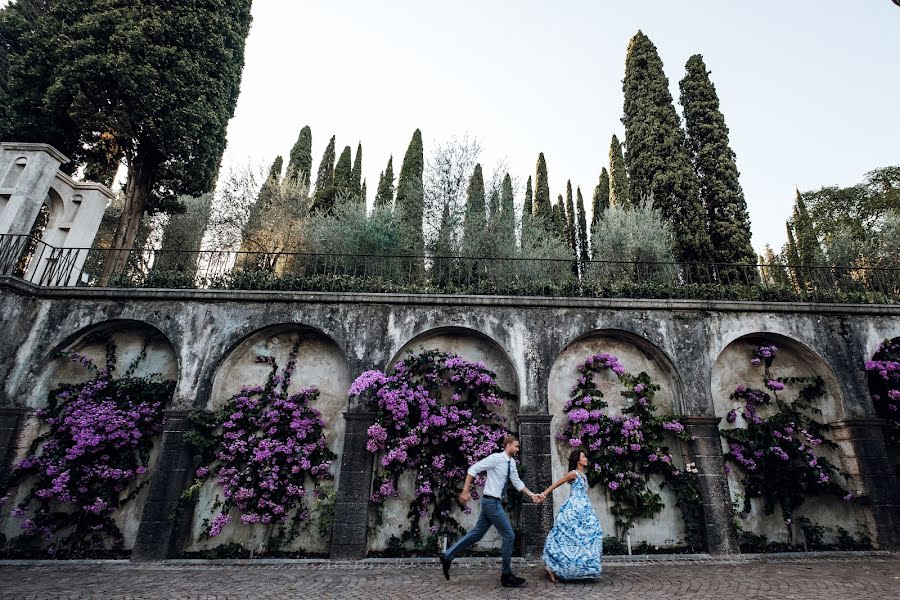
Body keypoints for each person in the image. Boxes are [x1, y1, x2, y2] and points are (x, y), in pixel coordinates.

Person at [440, 434, 544, 588]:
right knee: (509, 535)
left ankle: (448, 555)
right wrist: (465, 490)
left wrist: (532, 495)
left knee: (477, 534)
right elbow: (473, 469)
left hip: (493, 503)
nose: (517, 449)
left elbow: (517, 483)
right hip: (491, 502)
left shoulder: (512, 463)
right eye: (516, 446)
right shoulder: (496, 458)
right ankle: (506, 575)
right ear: (508, 445)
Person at [540, 449, 603, 582]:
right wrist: (544, 494)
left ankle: (578, 568)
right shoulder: (573, 474)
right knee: (568, 538)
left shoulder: (583, 475)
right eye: (583, 456)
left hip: (584, 509)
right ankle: (552, 566)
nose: (586, 458)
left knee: (589, 536)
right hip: (574, 510)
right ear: (578, 460)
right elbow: (557, 483)